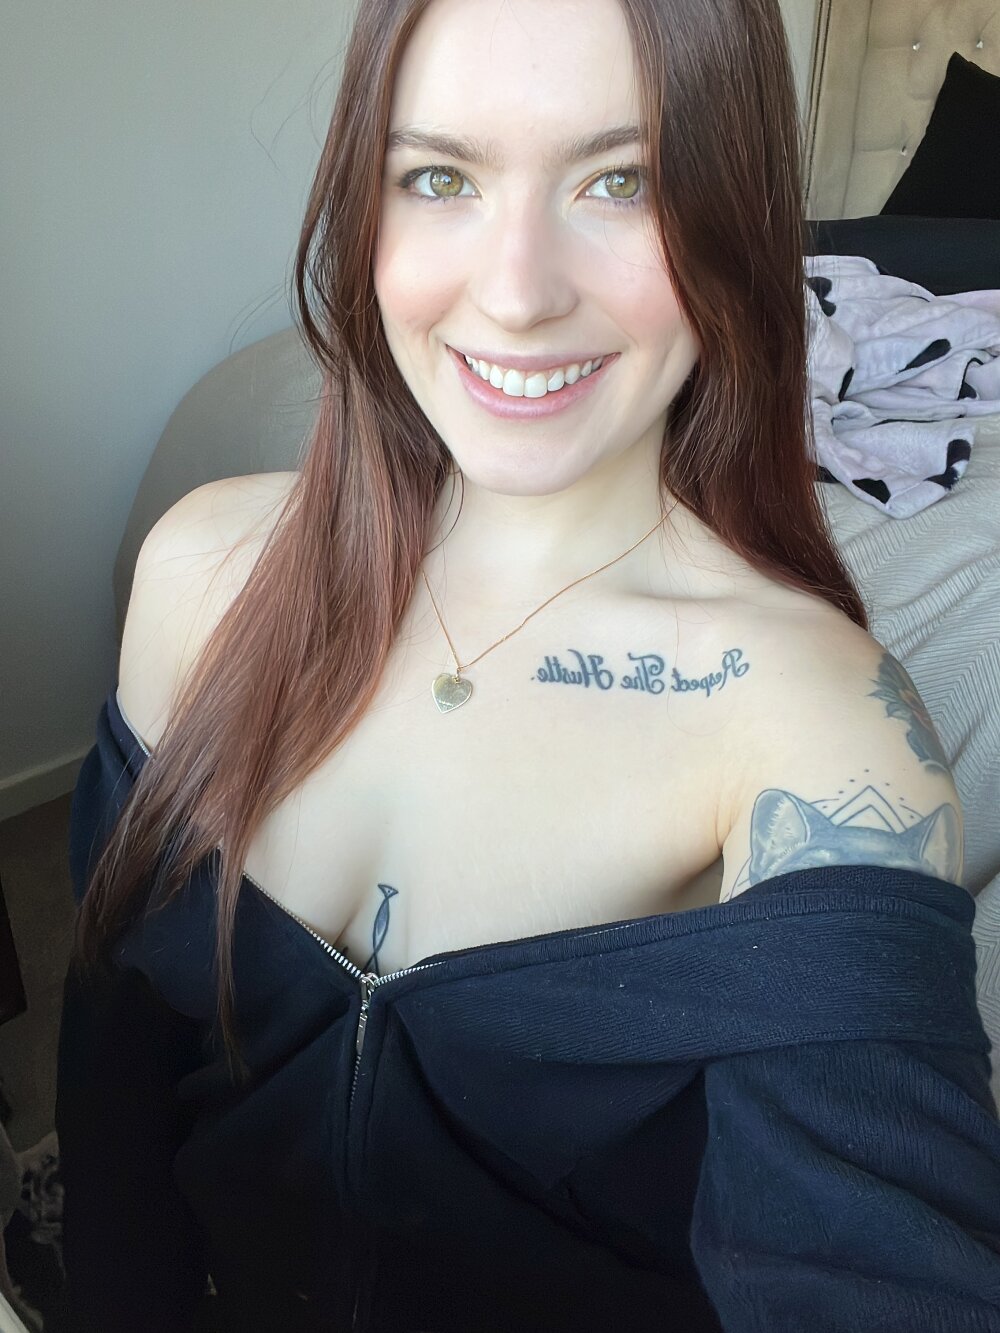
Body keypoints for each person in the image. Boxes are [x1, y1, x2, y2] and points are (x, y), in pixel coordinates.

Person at [55, 0, 1000, 1329]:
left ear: (732, 215)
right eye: (439, 177)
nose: (516, 293)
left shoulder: (819, 732)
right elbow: (113, 1081)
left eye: (622, 181)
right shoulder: (199, 572)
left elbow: (875, 1267)